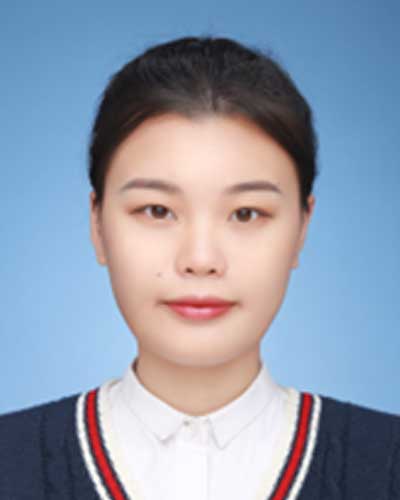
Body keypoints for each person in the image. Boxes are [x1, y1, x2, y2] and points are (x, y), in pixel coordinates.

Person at [1, 35, 399, 500]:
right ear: (98, 225)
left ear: (301, 229)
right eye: (157, 211)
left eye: (246, 214)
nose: (201, 260)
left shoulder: (386, 464)